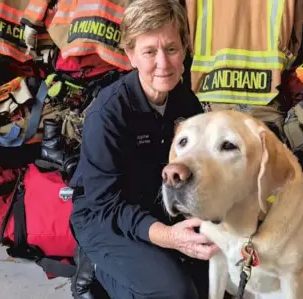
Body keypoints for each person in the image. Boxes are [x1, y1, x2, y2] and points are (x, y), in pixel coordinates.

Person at [69, 1, 218, 299]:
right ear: (131, 55)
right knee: (175, 292)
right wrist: (169, 237)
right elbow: (106, 205)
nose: (163, 63)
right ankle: (95, 268)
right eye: (150, 51)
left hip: (156, 205)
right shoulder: (108, 115)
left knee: (214, 274)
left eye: (172, 49)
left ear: (184, 49)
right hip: (104, 217)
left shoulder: (186, 101)